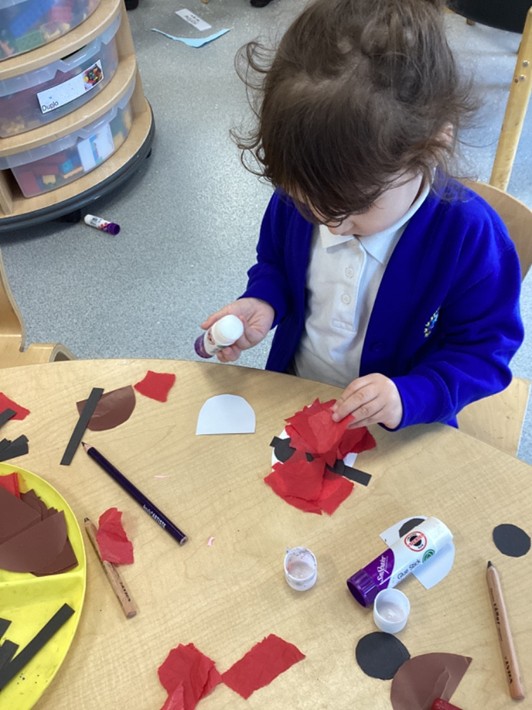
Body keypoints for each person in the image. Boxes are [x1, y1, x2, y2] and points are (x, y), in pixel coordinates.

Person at [199, 0, 524, 431]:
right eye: (305, 200)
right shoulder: (309, 192)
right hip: (299, 397)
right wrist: (264, 299)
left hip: (403, 423)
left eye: (355, 207)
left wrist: (410, 396)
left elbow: (484, 351)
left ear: (433, 144)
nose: (329, 224)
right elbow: (274, 262)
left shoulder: (470, 237)